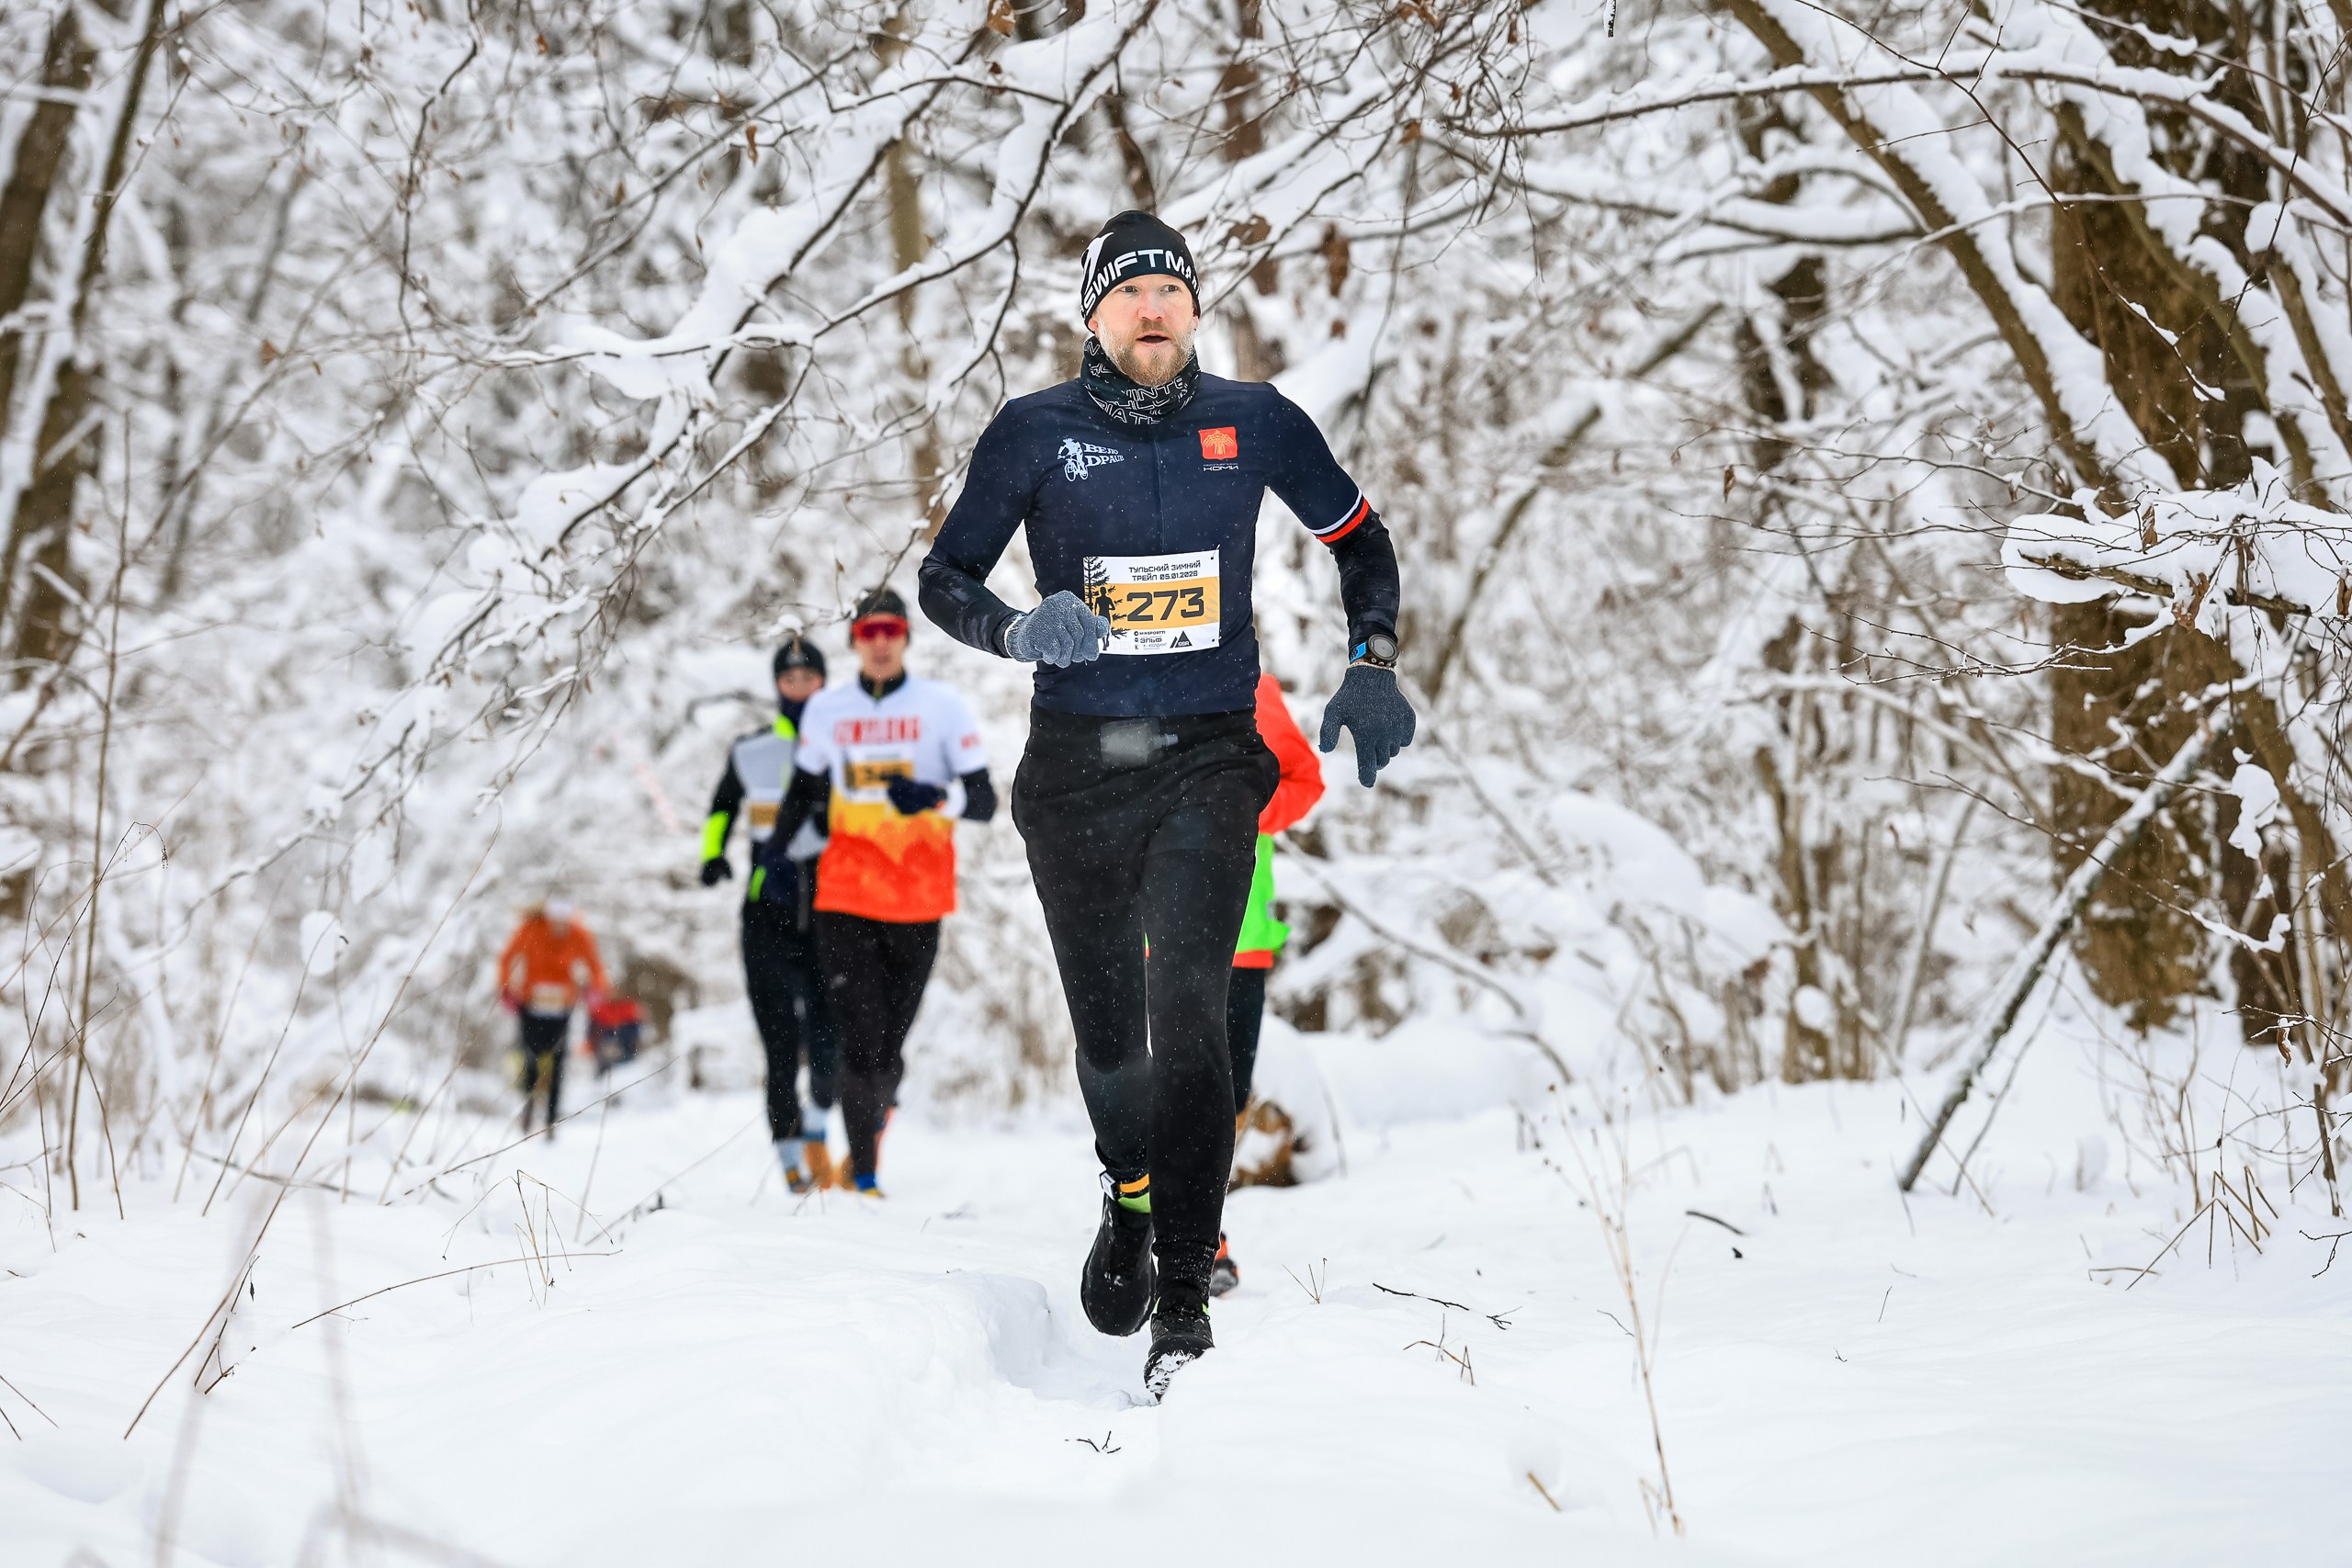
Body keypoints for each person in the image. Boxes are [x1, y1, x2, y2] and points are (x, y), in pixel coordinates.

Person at [919, 209, 1412, 1398]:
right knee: (1110, 1036)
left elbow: (1361, 539)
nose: (1153, 308)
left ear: (1194, 310)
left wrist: (1376, 657)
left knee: (1192, 1012)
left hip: (1208, 757)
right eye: (1129, 292)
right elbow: (942, 578)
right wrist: (1016, 625)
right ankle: (1127, 1188)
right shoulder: (1033, 433)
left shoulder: (1253, 424)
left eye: (1172, 292)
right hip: (1077, 766)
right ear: (1091, 313)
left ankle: (1185, 1295)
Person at [765, 587, 996, 1196]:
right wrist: (772, 860)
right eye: (869, 631)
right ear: (855, 642)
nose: (881, 641)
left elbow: (987, 800)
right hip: (844, 894)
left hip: (919, 896)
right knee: (861, 1039)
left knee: (890, 1045)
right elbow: (803, 794)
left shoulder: (942, 706)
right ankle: (864, 1172)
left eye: (891, 628)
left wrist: (936, 796)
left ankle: (868, 1135)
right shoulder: (827, 711)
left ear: (906, 637)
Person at [702, 634, 842, 1194]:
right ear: (777, 685)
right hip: (767, 913)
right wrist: (712, 854)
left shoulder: (845, 745)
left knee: (829, 1039)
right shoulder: (752, 749)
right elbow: (721, 806)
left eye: (810, 677)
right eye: (791, 678)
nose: (801, 686)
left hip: (833, 911)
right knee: (781, 1042)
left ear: (825, 683)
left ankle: (815, 1133)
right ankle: (789, 1156)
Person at [1211, 671, 1326, 1297]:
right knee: (1165, 1087)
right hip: (1157, 932)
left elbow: (1304, 781)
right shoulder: (1139, 676)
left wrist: (1246, 809)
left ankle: (1206, 1236)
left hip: (1244, 936)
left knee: (1226, 1098)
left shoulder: (1254, 688)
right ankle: (1155, 1229)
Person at [496, 898, 608, 1137]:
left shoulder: (578, 933)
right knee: (530, 1058)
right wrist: (506, 989)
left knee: (558, 1061)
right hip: (531, 1005)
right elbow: (507, 957)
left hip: (562, 1008)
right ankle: (527, 1108)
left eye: (564, 921)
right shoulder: (531, 929)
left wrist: (596, 989)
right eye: (555, 920)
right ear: (548, 917)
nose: (559, 926)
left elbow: (595, 965)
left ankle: (551, 1120)